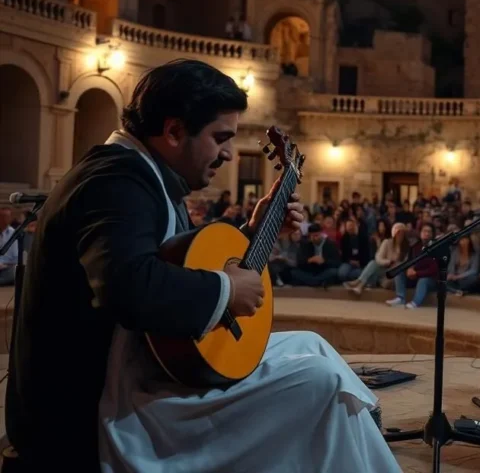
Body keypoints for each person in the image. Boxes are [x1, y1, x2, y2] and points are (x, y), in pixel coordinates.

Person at [4, 59, 402, 473]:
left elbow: (178, 261)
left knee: (312, 346)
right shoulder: (117, 181)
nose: (229, 153)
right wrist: (227, 291)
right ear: (174, 131)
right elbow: (128, 286)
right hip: (89, 407)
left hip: (142, 366)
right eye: (220, 138)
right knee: (319, 382)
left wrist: (254, 232)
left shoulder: (150, 175)